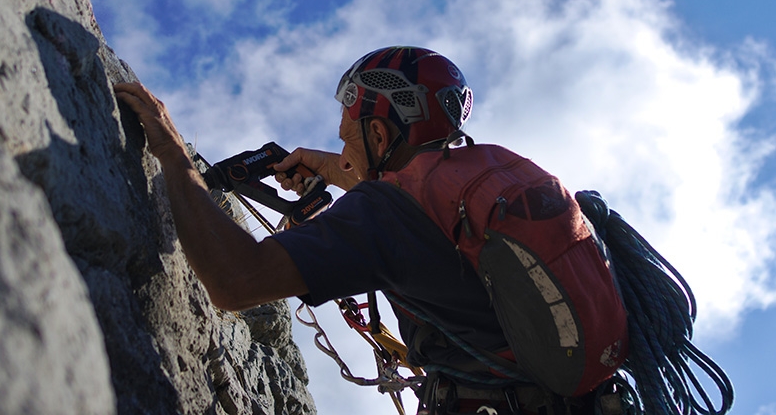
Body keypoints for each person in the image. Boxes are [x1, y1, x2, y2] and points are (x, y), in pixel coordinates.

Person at [114, 46, 618, 415]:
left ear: (379, 133)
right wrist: (327, 166)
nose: (341, 144)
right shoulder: (491, 174)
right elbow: (410, 192)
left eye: (349, 135)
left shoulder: (383, 213)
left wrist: (170, 150)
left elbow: (234, 279)